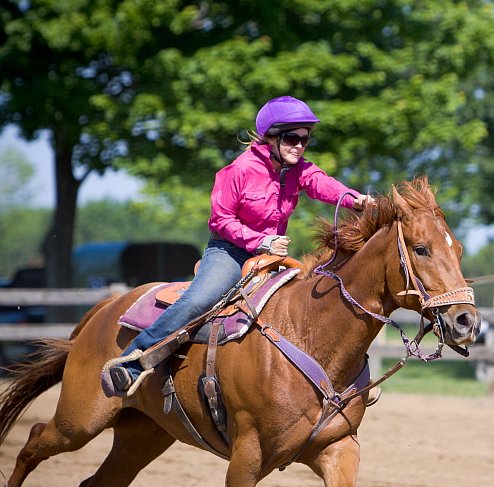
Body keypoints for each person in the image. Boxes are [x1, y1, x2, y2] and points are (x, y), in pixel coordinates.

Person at [104, 96, 373, 396]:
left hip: (271, 257)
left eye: (305, 139)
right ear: (270, 138)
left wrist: (356, 199)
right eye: (291, 138)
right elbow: (221, 220)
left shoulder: (299, 169)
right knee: (198, 302)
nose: (299, 145)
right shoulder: (239, 170)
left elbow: (323, 184)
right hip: (229, 252)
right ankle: (132, 362)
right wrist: (262, 240)